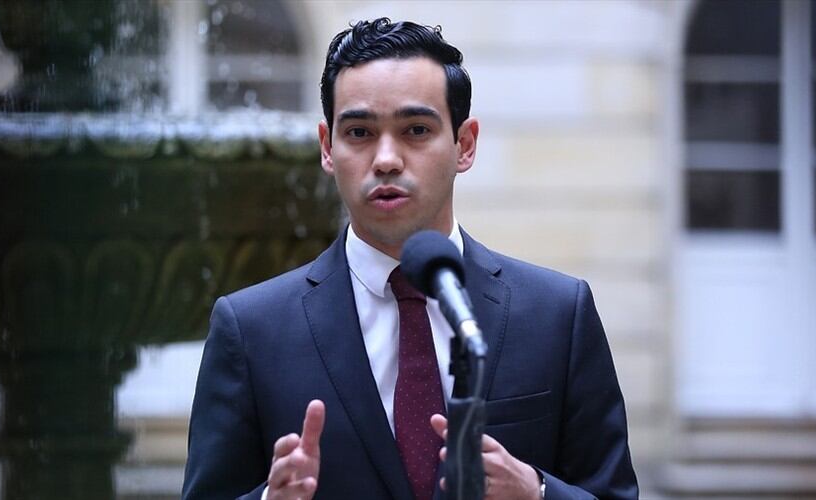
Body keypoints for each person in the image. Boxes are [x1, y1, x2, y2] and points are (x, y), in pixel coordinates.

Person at [182, 18, 638, 500]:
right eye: (359, 132)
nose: (385, 159)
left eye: (416, 129)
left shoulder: (557, 313)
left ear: (464, 145)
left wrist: (537, 492)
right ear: (327, 147)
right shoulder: (251, 329)